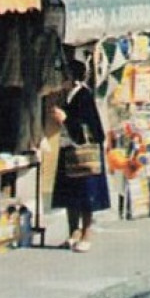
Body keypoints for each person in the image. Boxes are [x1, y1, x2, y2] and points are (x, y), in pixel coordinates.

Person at [49, 61, 110, 253]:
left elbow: (91, 127)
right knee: (70, 194)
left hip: (84, 153)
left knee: (85, 196)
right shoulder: (66, 96)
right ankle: (73, 232)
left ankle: (86, 234)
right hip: (69, 149)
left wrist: (66, 118)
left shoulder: (84, 96)